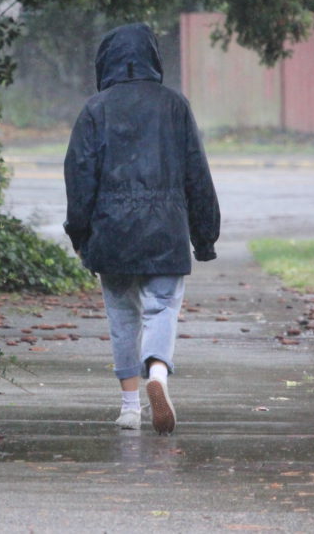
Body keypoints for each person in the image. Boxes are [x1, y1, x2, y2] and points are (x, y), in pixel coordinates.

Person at [63, 22, 220, 435]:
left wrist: (80, 234)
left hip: (111, 232)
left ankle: (130, 407)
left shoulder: (95, 109)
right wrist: (204, 237)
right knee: (161, 306)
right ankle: (158, 374)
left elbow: (79, 175)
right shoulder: (174, 106)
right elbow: (196, 174)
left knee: (121, 316)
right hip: (165, 230)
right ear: (153, 57)